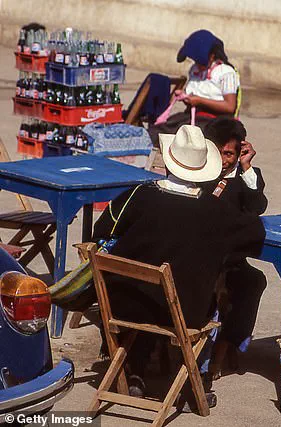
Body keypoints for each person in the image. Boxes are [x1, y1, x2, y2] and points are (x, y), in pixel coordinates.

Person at [92, 124, 265, 412]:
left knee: (148, 286)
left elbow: (101, 231)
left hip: (122, 305)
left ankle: (135, 371)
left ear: (169, 162)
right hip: (182, 313)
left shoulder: (138, 195)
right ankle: (191, 383)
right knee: (207, 295)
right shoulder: (215, 211)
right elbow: (255, 234)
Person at [199, 118, 268, 379]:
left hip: (231, 258)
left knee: (253, 281)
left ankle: (225, 345)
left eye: (228, 153)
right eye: (217, 152)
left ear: (241, 151)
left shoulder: (247, 177)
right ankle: (211, 351)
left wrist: (246, 167)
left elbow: (257, 206)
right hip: (204, 256)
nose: (222, 160)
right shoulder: (200, 172)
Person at [148, 30, 241, 145]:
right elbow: (193, 95)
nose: (197, 64)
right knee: (160, 131)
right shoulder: (195, 70)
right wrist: (184, 96)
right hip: (193, 116)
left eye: (200, 62)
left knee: (181, 138)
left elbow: (229, 107)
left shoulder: (225, 73)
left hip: (216, 122)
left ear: (212, 56)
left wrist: (199, 101)